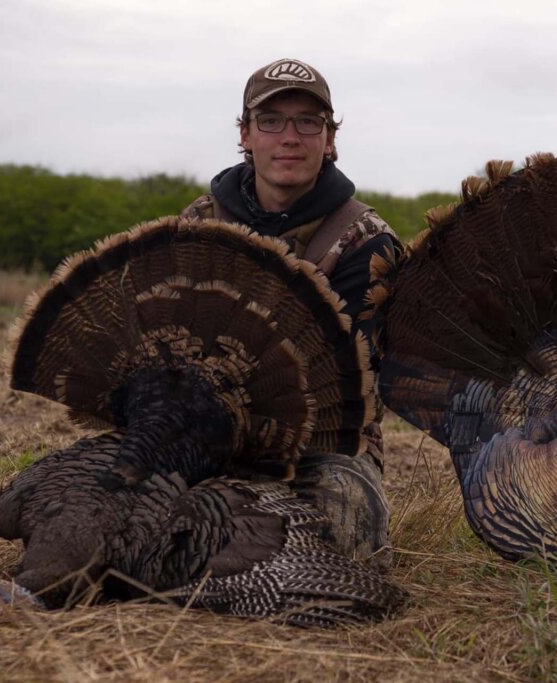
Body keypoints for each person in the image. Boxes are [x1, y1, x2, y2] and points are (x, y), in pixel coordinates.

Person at [182, 58, 400, 570]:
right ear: (246, 134)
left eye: (308, 122)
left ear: (328, 138)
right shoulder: (201, 221)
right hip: (201, 428)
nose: (290, 137)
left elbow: (350, 389)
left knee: (343, 544)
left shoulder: (366, 241)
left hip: (323, 443)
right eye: (271, 120)